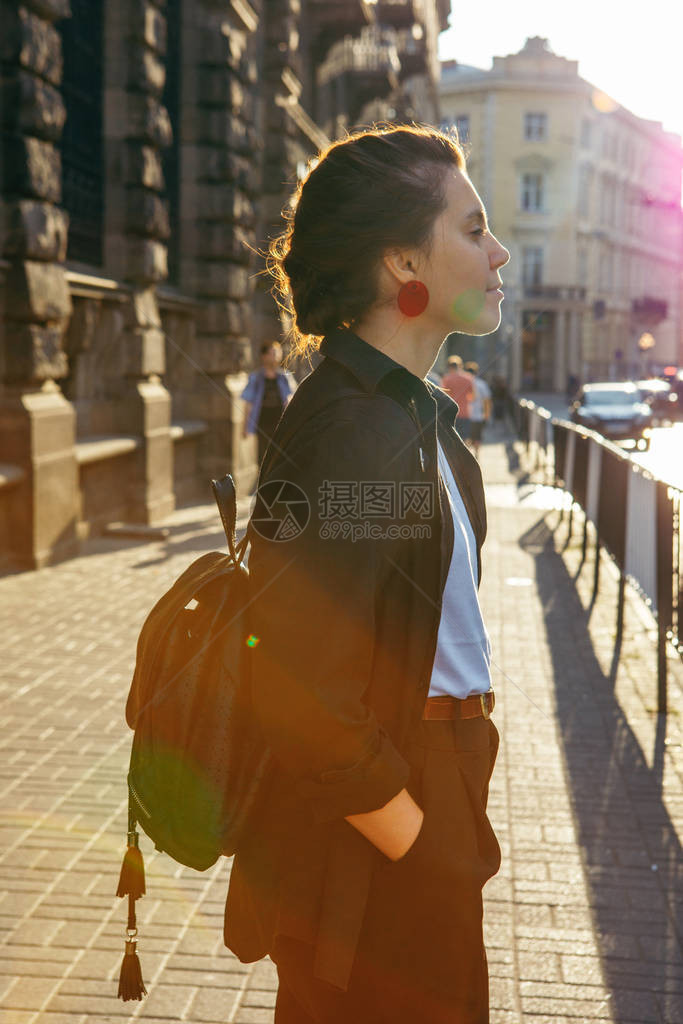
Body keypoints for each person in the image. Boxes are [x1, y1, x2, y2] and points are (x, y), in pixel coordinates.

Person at [224, 125, 510, 1024]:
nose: (497, 251)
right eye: (472, 229)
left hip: (428, 789)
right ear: (400, 263)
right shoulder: (356, 434)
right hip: (382, 835)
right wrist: (418, 844)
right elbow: (302, 684)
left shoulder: (407, 418)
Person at [241, 341, 297, 465]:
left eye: (277, 353)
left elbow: (290, 400)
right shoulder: (255, 378)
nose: (276, 356)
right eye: (272, 353)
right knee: (262, 456)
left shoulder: (285, 376)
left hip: (280, 423)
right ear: (264, 356)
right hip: (263, 423)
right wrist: (245, 427)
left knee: (279, 456)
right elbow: (248, 403)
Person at [441, 354, 474, 440]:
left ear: (449, 366)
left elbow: (443, 396)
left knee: (452, 438)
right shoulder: (468, 378)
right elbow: (473, 396)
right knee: (464, 438)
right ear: (460, 365)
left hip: (450, 412)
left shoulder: (447, 379)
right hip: (464, 412)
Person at [465, 361, 492, 458]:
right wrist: (487, 414)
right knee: (477, 438)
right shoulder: (482, 384)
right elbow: (487, 401)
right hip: (478, 416)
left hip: (466, 415)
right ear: (476, 372)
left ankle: (466, 455)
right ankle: (476, 454)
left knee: (466, 437)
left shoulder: (464, 382)